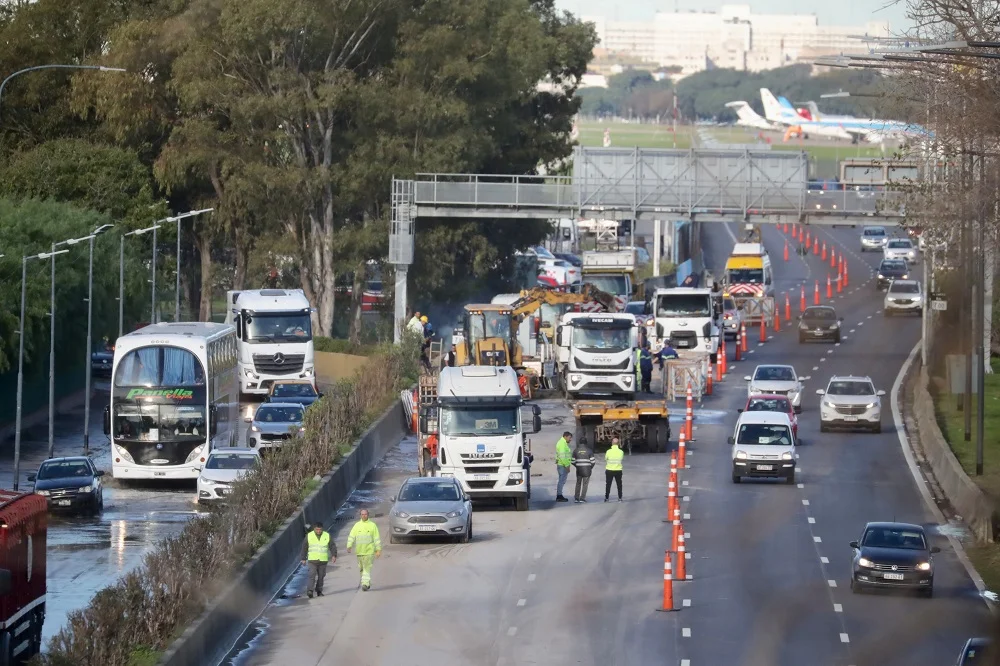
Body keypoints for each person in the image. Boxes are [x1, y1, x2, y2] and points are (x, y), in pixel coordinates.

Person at [346, 509, 382, 591]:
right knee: (362, 569)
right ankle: (367, 583)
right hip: (359, 552)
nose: (364, 516)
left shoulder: (372, 525)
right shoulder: (357, 525)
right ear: (360, 515)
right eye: (362, 514)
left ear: (368, 515)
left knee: (367, 568)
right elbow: (352, 536)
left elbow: (376, 538)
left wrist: (378, 550)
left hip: (369, 551)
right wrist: (349, 546)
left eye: (365, 514)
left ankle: (365, 584)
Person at [300, 521, 337, 598]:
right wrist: (303, 558)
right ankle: (310, 591)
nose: (319, 531)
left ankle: (319, 590)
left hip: (323, 560)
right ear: (314, 529)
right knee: (312, 575)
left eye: (320, 529)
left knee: (321, 576)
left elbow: (332, 546)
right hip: (312, 560)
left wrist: (334, 555)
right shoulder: (309, 536)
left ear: (322, 529)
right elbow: (304, 547)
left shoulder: (326, 535)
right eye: (317, 529)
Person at [571, 437, 596, 503]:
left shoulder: (576, 450)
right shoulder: (589, 450)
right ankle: (582, 498)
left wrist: (578, 466)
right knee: (585, 484)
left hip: (579, 470)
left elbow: (573, 461)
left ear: (579, 442)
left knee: (578, 483)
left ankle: (576, 498)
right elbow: (593, 462)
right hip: (587, 470)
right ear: (586, 442)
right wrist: (589, 468)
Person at [554, 431, 573, 503]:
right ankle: (559, 496)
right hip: (563, 465)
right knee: (561, 481)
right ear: (565, 436)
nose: (570, 439)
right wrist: (567, 466)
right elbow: (562, 456)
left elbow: (558, 454)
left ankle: (559, 495)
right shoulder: (562, 444)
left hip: (561, 464)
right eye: (569, 437)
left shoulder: (562, 443)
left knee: (561, 481)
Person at [604, 437, 624, 503]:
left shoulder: (608, 451)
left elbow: (606, 459)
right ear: (618, 444)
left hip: (609, 470)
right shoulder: (621, 452)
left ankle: (607, 498)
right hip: (618, 470)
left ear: (612, 443)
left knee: (608, 485)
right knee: (619, 485)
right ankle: (620, 498)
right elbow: (621, 459)